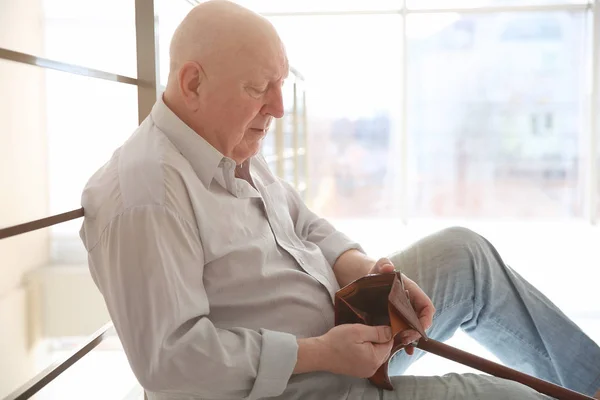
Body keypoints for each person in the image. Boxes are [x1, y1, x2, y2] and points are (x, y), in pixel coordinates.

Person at [78, 1, 600, 399]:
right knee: (507, 396)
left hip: (339, 330)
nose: (279, 108)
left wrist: (370, 275)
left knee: (465, 255)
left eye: (280, 84)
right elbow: (171, 360)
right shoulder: (143, 195)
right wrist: (319, 353)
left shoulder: (224, 140)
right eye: (261, 87)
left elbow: (302, 225)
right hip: (302, 383)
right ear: (193, 83)